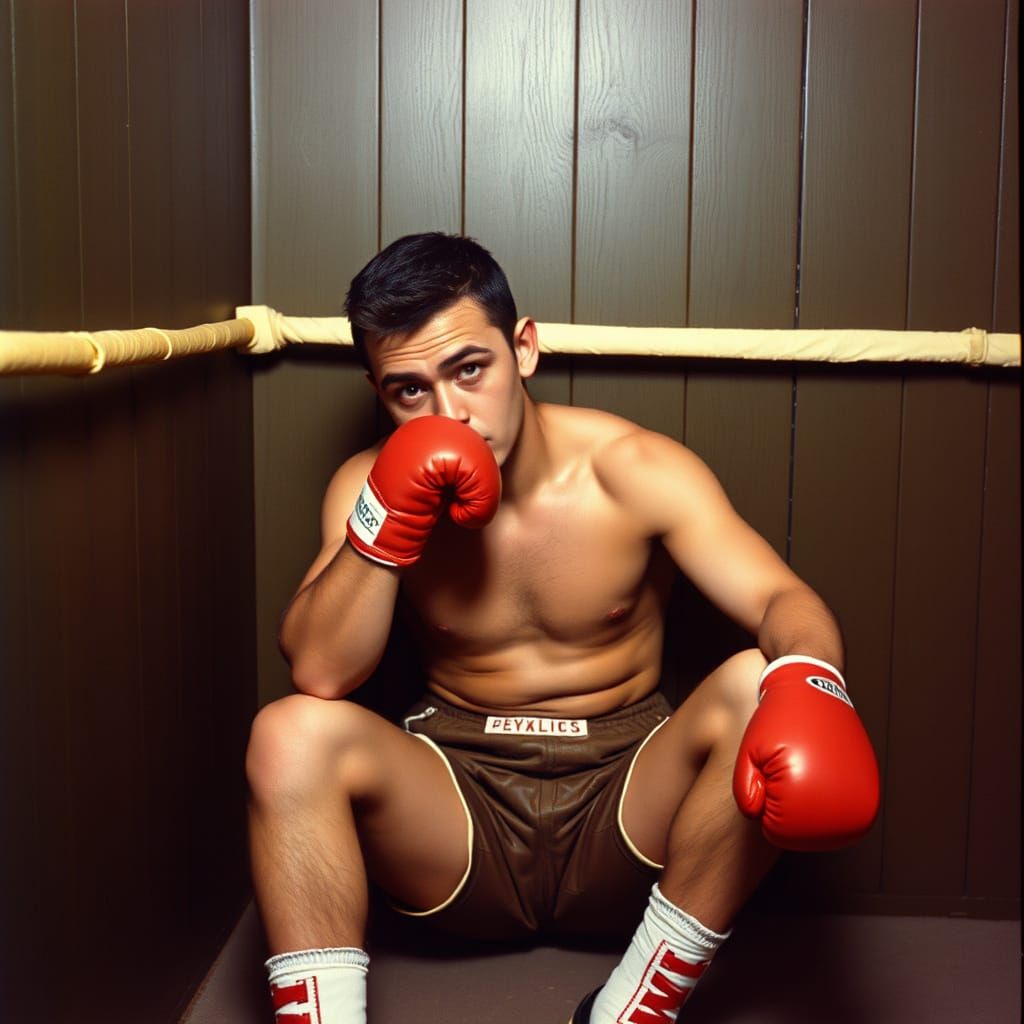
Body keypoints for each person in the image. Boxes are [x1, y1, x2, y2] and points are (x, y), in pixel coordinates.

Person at [245, 232, 880, 1024]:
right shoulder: (366, 484)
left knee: (764, 680)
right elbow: (320, 673)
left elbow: (783, 600)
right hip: (457, 811)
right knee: (287, 733)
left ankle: (631, 1009)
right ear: (380, 391)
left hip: (628, 812)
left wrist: (814, 681)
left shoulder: (632, 469)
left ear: (525, 348)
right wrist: (386, 524)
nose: (449, 416)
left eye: (469, 370)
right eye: (408, 391)